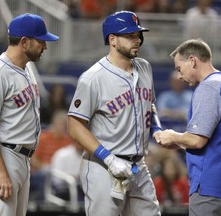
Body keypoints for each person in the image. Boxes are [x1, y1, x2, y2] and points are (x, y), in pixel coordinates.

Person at [67, 10, 161, 216]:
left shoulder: (145, 67)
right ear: (112, 40)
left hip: (138, 165)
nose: (136, 40)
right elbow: (74, 125)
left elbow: (150, 104)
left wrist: (158, 129)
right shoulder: (93, 78)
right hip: (103, 167)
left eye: (138, 35)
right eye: (129, 36)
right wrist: (108, 159)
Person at [0, 13, 59, 216]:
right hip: (2, 155)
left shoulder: (26, 68)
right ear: (24, 42)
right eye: (41, 41)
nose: (45, 46)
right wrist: (0, 171)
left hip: (21, 159)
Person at [154, 38, 221, 215]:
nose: (179, 76)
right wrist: (181, 143)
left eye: (179, 69)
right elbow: (219, 137)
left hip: (210, 185)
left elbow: (197, 140)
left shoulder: (208, 88)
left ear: (192, 61)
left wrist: (173, 135)